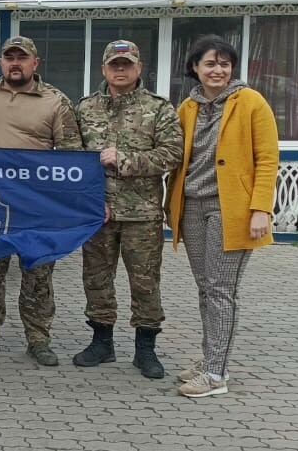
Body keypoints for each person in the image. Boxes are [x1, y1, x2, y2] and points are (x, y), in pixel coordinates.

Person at [0, 36, 84, 366]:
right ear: (1, 61)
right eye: (9, 57)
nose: (15, 63)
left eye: (21, 58)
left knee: (37, 274)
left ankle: (38, 338)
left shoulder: (55, 101)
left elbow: (72, 157)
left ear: (34, 63)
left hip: (35, 205)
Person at [167, 35, 278, 398]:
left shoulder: (251, 102)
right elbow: (180, 161)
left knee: (221, 290)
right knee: (207, 289)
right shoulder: (188, 107)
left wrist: (260, 207)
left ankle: (216, 374)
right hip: (193, 209)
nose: (218, 70)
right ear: (195, 68)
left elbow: (267, 159)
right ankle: (211, 356)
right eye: (210, 63)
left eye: (225, 63)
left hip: (231, 210)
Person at [73, 40, 183, 379]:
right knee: (96, 279)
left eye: (127, 64)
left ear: (138, 68)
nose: (120, 70)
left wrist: (125, 161)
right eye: (114, 64)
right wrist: (91, 200)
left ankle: (145, 349)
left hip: (142, 212)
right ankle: (102, 342)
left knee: (145, 282)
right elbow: (72, 159)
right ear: (104, 69)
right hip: (98, 211)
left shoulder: (159, 108)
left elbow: (172, 155)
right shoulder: (85, 108)